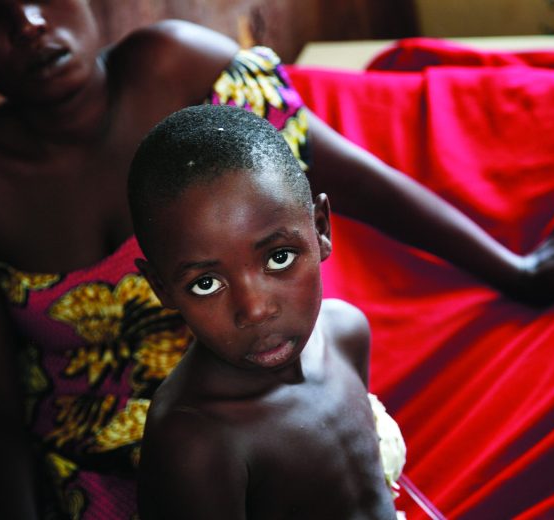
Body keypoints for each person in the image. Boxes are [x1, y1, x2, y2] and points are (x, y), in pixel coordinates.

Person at [0, 0, 554, 518]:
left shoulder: (185, 65)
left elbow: (342, 179)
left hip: (270, 400)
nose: (28, 25)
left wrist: (519, 269)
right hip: (76, 471)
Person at [129, 103, 405, 519]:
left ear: (322, 230)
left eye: (279, 257)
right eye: (206, 283)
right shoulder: (195, 439)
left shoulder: (346, 333)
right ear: (162, 288)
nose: (255, 309)